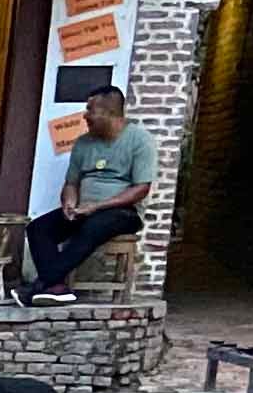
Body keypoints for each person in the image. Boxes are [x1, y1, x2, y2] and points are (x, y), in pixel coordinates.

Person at [24, 86, 156, 298]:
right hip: (84, 209)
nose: (85, 115)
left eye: (90, 110)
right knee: (38, 228)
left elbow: (141, 189)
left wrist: (97, 206)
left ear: (109, 113)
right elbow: (71, 183)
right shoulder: (83, 143)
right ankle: (56, 288)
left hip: (123, 211)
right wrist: (69, 203)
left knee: (93, 226)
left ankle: (40, 284)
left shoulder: (140, 141)